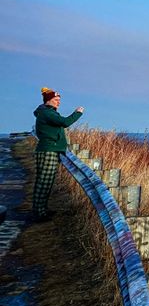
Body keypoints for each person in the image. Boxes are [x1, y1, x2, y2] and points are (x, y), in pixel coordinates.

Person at [32, 87, 84, 221]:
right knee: (44, 182)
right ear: (48, 100)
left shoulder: (47, 112)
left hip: (49, 149)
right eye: (56, 100)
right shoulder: (48, 113)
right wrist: (77, 113)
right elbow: (65, 122)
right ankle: (39, 214)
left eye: (59, 100)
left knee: (44, 182)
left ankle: (40, 210)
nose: (58, 102)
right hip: (49, 150)